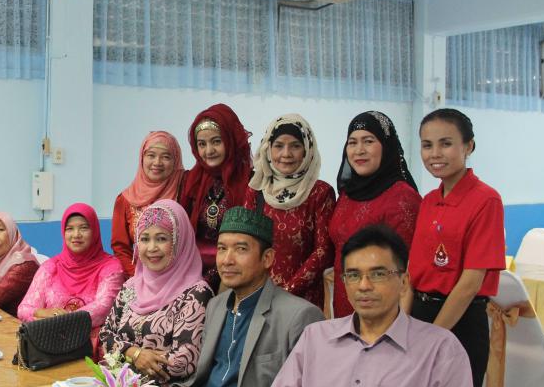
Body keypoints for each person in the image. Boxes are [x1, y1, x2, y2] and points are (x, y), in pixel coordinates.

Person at [253, 225, 475, 387]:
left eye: (378, 274)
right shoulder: (316, 338)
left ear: (404, 281)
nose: (364, 286)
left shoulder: (441, 352)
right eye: (353, 275)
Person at [160, 207, 323, 387]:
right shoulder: (215, 306)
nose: (227, 260)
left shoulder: (299, 316)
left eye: (241, 249)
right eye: (222, 248)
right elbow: (198, 383)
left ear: (267, 258)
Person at [406, 108, 505, 387]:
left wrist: (433, 337)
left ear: (469, 146)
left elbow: (470, 281)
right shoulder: (429, 200)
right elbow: (413, 273)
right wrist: (404, 327)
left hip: (460, 322)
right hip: (420, 316)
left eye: (446, 143)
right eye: (427, 145)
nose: (435, 153)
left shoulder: (486, 200)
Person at [100, 200, 212, 387]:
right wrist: (135, 353)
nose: (151, 248)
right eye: (144, 239)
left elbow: (184, 361)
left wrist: (121, 353)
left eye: (161, 239)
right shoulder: (131, 287)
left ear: (180, 242)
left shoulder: (196, 294)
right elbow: (105, 336)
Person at [329, 111, 420, 318]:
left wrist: (398, 326)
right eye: (352, 143)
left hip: (383, 311)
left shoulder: (402, 197)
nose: (359, 150)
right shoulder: (347, 194)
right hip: (346, 305)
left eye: (368, 141)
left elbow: (408, 271)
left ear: (386, 146)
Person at [245, 114, 335, 309]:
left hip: (303, 301)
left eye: (295, 146)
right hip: (257, 296)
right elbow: (245, 242)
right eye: (278, 146)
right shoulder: (257, 189)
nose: (286, 154)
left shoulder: (320, 192)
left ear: (307, 150)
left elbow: (323, 251)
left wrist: (287, 291)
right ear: (268, 149)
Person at [17, 203, 125, 350]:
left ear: (95, 231)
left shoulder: (111, 267)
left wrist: (62, 320)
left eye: (84, 228)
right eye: (69, 229)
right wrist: (43, 312)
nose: (76, 234)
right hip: (48, 346)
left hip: (91, 349)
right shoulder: (51, 267)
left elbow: (103, 308)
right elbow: (23, 309)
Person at [180, 104, 253, 287]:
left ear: (230, 140)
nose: (209, 151)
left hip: (233, 270)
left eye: (216, 141)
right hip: (191, 268)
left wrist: (210, 279)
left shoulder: (251, 182)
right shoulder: (191, 180)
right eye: (202, 144)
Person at [111, 131, 187, 276]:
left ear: (176, 160)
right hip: (139, 277)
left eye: (166, 157)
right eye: (151, 155)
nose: (157, 162)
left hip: (181, 276)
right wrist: (139, 278)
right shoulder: (125, 200)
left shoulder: (186, 192)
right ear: (142, 158)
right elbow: (121, 248)